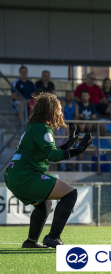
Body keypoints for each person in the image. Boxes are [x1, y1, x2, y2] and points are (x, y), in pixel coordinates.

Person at [4, 93, 92, 248]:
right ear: (50, 110)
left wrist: (67, 146)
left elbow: (48, 154)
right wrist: (78, 151)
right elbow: (53, 155)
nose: (61, 113)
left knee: (44, 204)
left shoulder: (34, 127)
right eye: (59, 109)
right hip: (24, 176)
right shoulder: (43, 128)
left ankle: (31, 242)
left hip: (14, 175)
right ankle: (53, 237)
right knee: (71, 193)